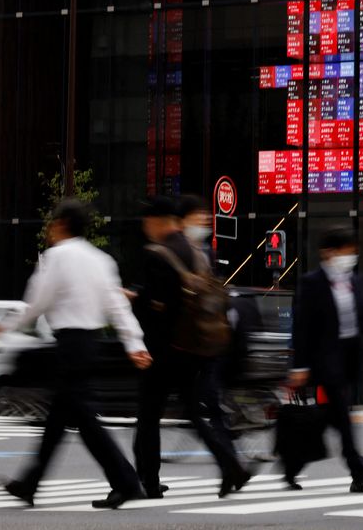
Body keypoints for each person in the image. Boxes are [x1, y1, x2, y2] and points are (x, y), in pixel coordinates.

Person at [0, 199, 152, 509]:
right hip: (91, 344)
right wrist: (136, 344)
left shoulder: (56, 257)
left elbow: (38, 302)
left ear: (61, 224)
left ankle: (127, 481)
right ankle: (30, 483)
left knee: (84, 419)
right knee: (58, 418)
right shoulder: (102, 260)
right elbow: (117, 307)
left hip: (69, 344)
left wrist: (6, 323)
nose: (50, 230)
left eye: (52, 224)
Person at [131, 196, 249, 499]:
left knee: (148, 416)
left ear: (157, 222)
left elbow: (157, 307)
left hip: (161, 351)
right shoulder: (197, 253)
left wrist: (136, 302)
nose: (147, 230)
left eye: (147, 224)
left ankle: (149, 481)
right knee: (195, 415)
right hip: (194, 348)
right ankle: (230, 465)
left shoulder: (155, 253)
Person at [288, 226, 363, 492]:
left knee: (330, 417)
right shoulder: (312, 282)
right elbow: (302, 327)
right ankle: (359, 472)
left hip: (350, 356)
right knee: (343, 414)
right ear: (328, 252)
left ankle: (292, 464)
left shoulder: (355, 280)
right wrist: (300, 366)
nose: (351, 256)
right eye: (346, 251)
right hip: (325, 359)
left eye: (353, 251)